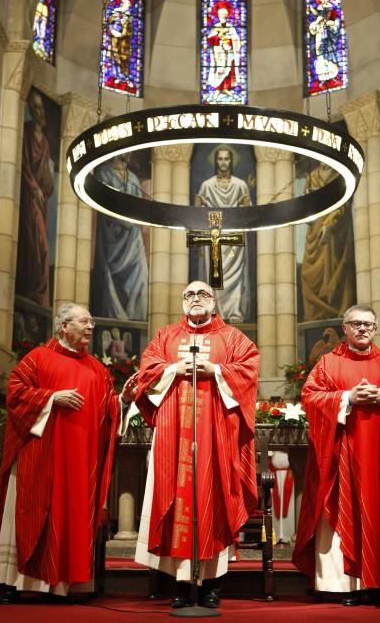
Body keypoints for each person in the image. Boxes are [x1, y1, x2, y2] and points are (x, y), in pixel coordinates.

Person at [0, 303, 137, 603]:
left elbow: (108, 413)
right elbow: (15, 391)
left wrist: (123, 400)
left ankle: (65, 584)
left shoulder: (98, 370)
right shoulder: (38, 359)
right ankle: (13, 582)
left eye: (92, 321)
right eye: (84, 321)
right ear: (64, 326)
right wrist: (52, 397)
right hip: (40, 457)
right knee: (31, 512)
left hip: (78, 464)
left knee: (71, 516)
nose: (91, 327)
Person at [134, 280, 259, 609]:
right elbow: (147, 372)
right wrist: (175, 368)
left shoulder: (233, 338)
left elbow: (249, 371)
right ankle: (181, 583)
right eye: (189, 294)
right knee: (178, 501)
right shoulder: (165, 337)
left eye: (203, 294)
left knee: (214, 499)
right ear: (182, 302)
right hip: (174, 436)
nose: (195, 299)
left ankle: (213, 585)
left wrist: (216, 370)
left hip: (216, 436)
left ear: (214, 302)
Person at [292, 304, 380, 607]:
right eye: (356, 324)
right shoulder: (327, 363)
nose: (363, 329)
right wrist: (347, 397)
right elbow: (310, 396)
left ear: (375, 329)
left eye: (368, 325)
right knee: (338, 511)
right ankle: (342, 586)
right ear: (344, 328)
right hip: (340, 456)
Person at [195, 146, 251, 322]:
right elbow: (197, 214)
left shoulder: (240, 185)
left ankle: (235, 312)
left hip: (234, 239)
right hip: (213, 237)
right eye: (220, 159)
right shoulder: (207, 186)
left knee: (235, 276)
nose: (224, 162)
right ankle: (214, 311)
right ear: (215, 161)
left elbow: (248, 212)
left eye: (227, 159)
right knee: (214, 275)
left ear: (231, 161)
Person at [92, 154, 148, 320]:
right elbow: (104, 204)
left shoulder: (133, 179)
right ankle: (113, 316)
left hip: (133, 240)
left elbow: (139, 208)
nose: (129, 153)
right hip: (111, 236)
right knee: (108, 278)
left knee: (142, 271)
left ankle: (136, 318)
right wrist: (126, 221)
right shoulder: (103, 173)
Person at [300, 162, 356, 321]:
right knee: (307, 273)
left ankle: (335, 311)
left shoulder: (340, 174)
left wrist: (330, 224)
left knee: (335, 271)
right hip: (315, 233)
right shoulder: (313, 176)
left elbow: (344, 204)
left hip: (335, 233)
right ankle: (315, 316)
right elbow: (304, 207)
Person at [16, 88, 55, 307]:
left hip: (41, 202)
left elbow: (45, 175)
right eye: (36, 108)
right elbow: (23, 167)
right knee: (37, 245)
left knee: (43, 249)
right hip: (30, 199)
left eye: (42, 108)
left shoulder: (46, 142)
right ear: (31, 110)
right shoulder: (27, 132)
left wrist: (46, 187)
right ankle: (33, 294)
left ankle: (40, 298)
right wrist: (35, 189)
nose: (40, 112)